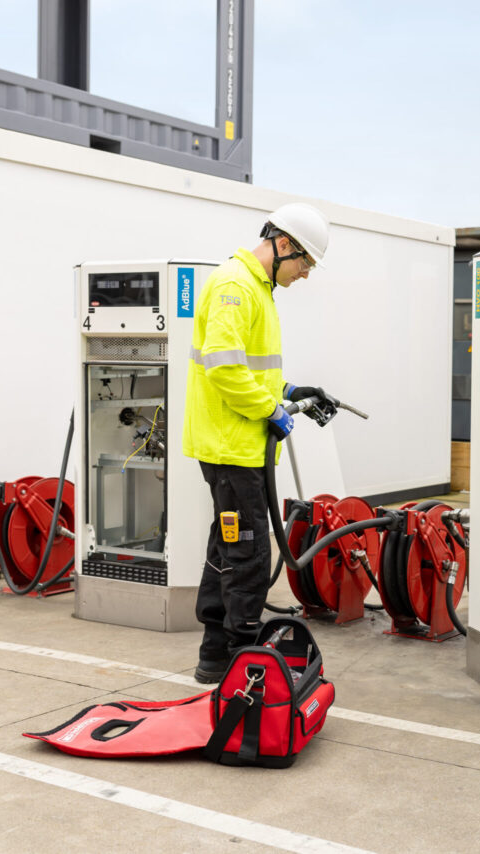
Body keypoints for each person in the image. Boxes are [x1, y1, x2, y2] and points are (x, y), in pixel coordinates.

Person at [183, 202, 335, 684]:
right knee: (249, 554)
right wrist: (270, 411)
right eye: (305, 262)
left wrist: (288, 392)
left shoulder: (258, 288)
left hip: (238, 445)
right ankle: (241, 660)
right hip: (233, 446)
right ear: (283, 244)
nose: (306, 274)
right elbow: (224, 368)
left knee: (228, 544)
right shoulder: (235, 285)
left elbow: (249, 367)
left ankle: (214, 653)